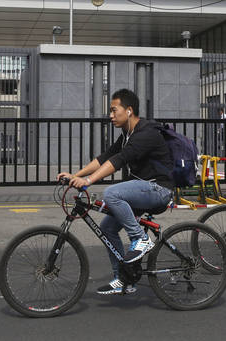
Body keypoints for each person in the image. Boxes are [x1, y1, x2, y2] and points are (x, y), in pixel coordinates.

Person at [56, 88, 173, 295]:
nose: (110, 115)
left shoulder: (146, 133)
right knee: (108, 230)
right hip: (141, 191)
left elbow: (119, 161)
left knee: (112, 193)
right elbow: (105, 157)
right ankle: (124, 278)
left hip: (158, 189)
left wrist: (88, 181)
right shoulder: (127, 134)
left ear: (128, 111)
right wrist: (76, 175)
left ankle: (141, 239)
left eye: (113, 110)